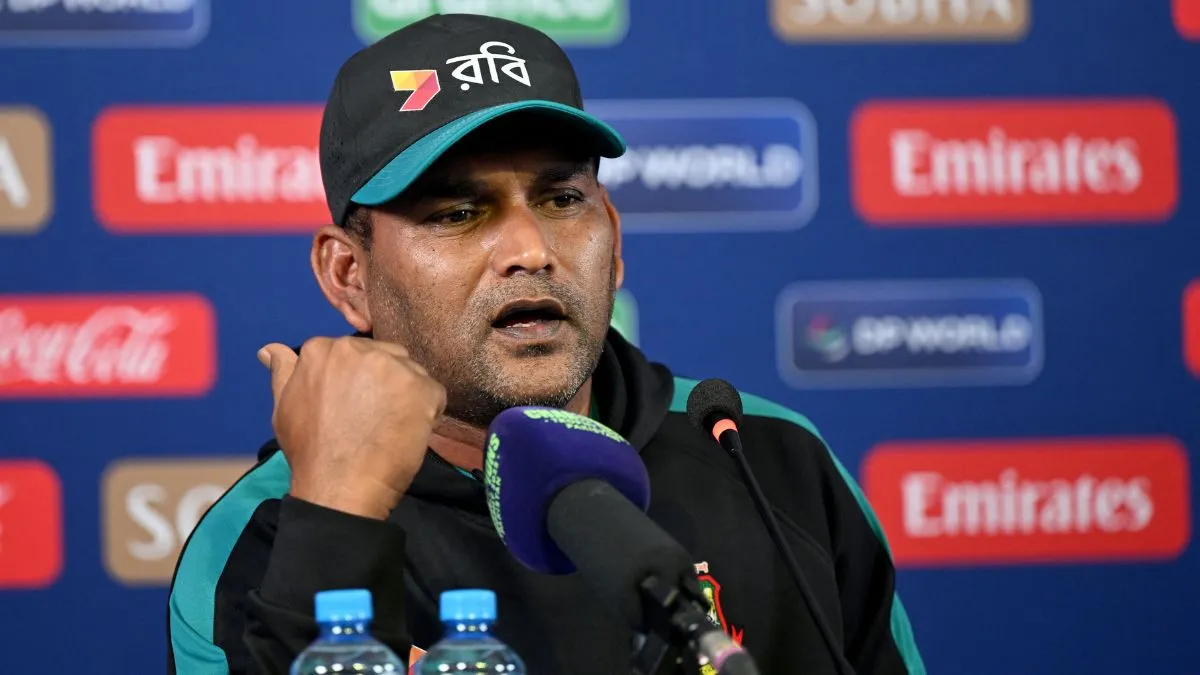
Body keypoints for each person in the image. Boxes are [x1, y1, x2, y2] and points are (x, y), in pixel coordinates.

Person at [167, 13, 926, 675]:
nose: (531, 249)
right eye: (457, 213)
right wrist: (337, 520)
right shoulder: (266, 535)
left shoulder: (768, 458)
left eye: (562, 200)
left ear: (614, 239)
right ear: (349, 274)